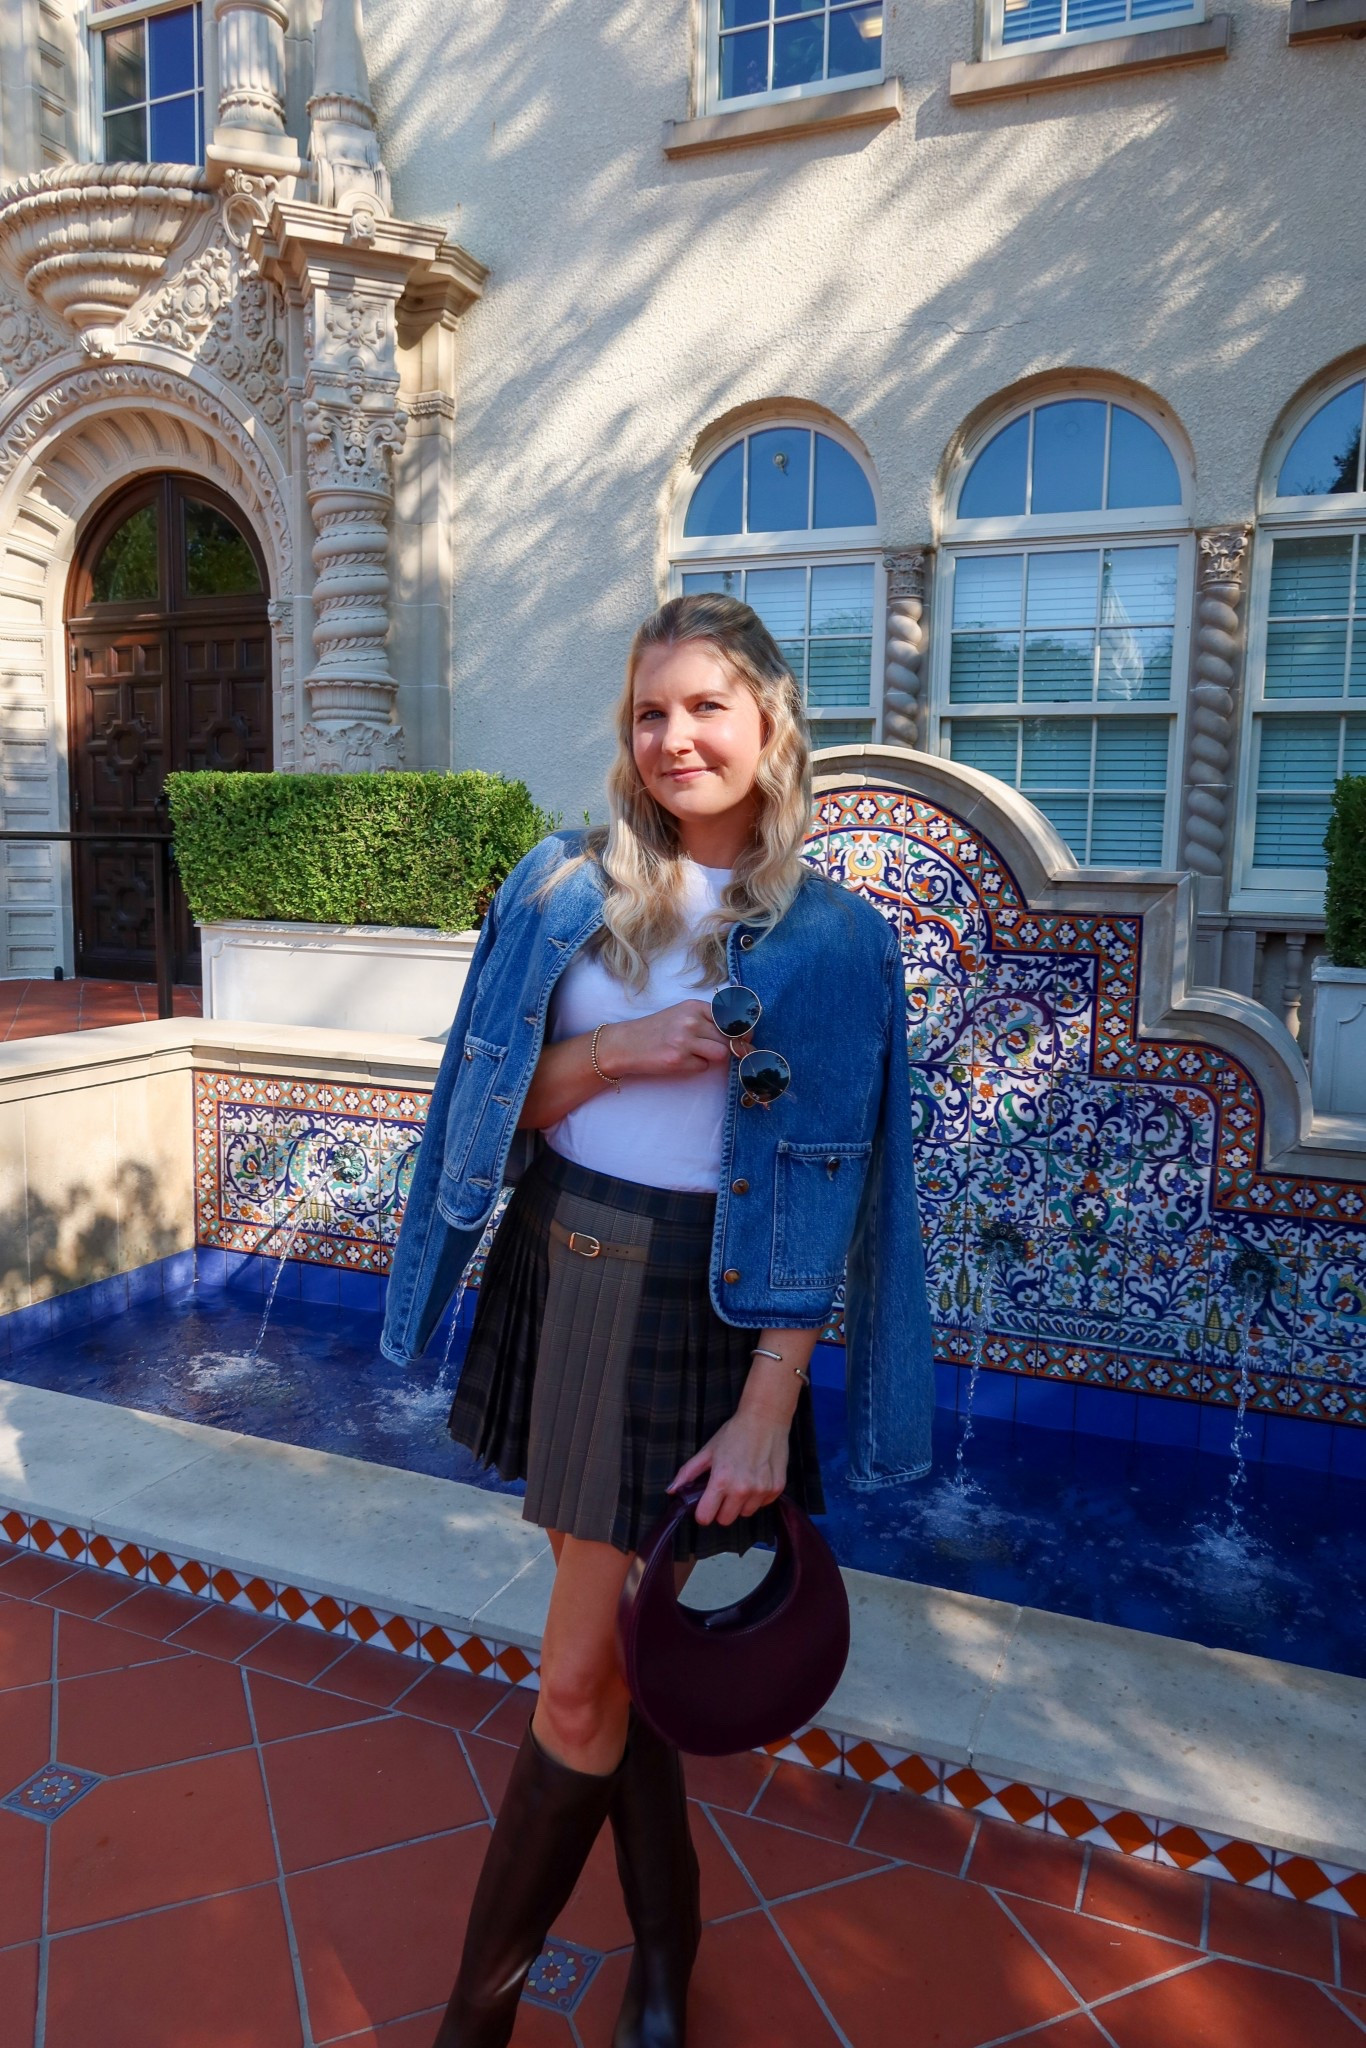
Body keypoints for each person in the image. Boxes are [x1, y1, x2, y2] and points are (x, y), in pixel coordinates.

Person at [380, 592, 932, 2048]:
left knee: (577, 1680)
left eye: (705, 707)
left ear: (767, 725)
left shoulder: (830, 943)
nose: (674, 736)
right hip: (567, 1268)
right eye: (648, 712)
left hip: (709, 1300)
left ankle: (475, 2022)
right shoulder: (561, 886)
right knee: (610, 1653)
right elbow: (490, 1107)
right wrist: (616, 1050)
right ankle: (667, 1962)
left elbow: (838, 1196)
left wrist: (769, 1405)